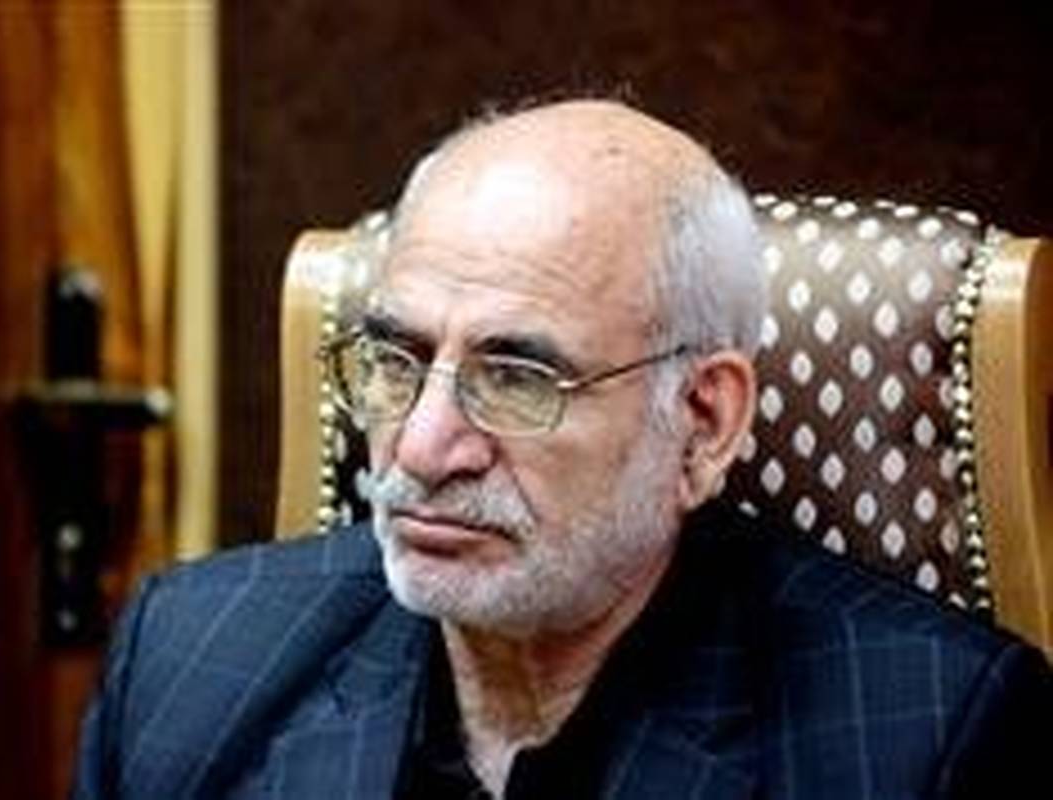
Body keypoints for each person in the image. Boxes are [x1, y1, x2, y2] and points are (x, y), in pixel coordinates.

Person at [73, 100, 1053, 799]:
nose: (422, 448)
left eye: (516, 377)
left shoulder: (930, 735)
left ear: (703, 422)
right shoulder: (189, 660)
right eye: (394, 360)